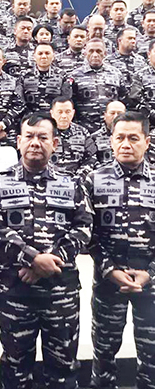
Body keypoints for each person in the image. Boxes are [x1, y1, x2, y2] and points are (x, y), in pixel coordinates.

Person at [0, 112, 93, 389]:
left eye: (43, 137)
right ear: (18, 141)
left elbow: (83, 228)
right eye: (29, 136)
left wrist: (49, 263)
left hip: (60, 292)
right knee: (16, 367)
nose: (35, 142)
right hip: (15, 292)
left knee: (63, 368)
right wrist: (33, 259)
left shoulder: (72, 183)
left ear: (54, 143)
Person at [84, 111, 155, 389]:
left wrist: (150, 273)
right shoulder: (93, 180)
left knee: (152, 360)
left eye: (133, 138)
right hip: (108, 283)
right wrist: (109, 270)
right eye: (120, 137)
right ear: (111, 141)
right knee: (103, 357)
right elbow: (86, 232)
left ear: (147, 142)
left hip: (151, 285)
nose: (126, 144)